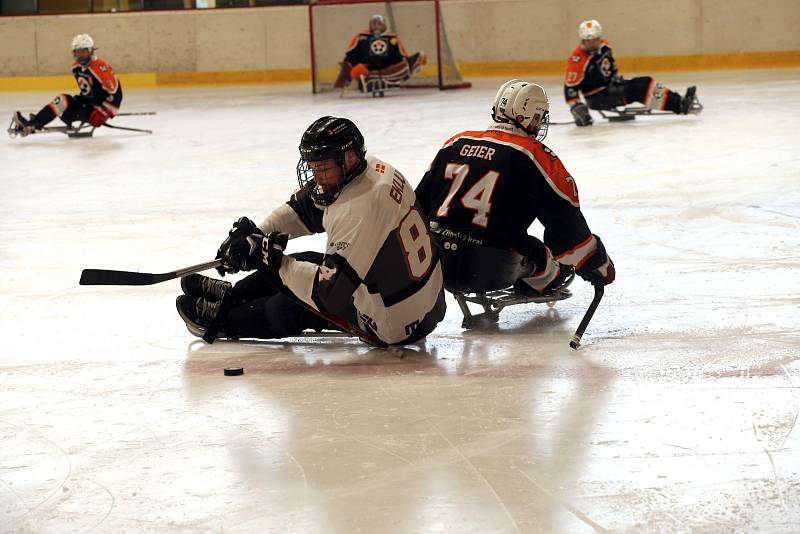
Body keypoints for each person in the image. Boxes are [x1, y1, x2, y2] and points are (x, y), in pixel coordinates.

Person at [176, 116, 446, 346]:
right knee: (304, 261)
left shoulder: (359, 211)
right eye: (313, 167)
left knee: (293, 305)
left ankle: (224, 321)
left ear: (349, 158)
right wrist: (257, 233)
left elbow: (328, 296)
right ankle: (233, 297)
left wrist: (270, 260)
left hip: (396, 323)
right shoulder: (372, 169)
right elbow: (306, 210)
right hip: (426, 295)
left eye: (323, 168)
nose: (316, 177)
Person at [415, 79, 615, 298]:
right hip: (490, 269)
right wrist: (597, 264)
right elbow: (565, 225)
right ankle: (543, 279)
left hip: (434, 262)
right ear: (531, 116)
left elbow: (416, 207)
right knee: (541, 256)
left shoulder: (455, 143)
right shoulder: (534, 155)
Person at [564, 20, 699, 126]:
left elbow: (610, 65)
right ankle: (679, 106)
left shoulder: (605, 46)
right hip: (598, 98)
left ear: (600, 37)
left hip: (610, 87)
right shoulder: (577, 60)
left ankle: (679, 100)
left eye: (595, 39)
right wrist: (576, 107)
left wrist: (615, 78)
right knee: (639, 88)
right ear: (583, 39)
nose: (593, 43)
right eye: (589, 40)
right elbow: (570, 88)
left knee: (645, 81)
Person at [10, 34, 122, 137]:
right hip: (88, 103)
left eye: (83, 52)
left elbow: (116, 93)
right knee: (62, 100)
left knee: (70, 113)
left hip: (99, 108)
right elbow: (88, 92)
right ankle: (33, 123)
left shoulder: (99, 67)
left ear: (91, 51)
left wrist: (105, 111)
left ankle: (35, 123)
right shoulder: (76, 67)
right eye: (77, 52)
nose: (80, 55)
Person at [333, 14, 426, 92]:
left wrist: (406, 65)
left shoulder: (392, 38)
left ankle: (373, 80)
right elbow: (351, 55)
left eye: (379, 24)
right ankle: (372, 79)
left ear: (384, 26)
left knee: (418, 57)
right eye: (374, 24)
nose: (376, 26)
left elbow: (401, 56)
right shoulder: (361, 37)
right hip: (367, 69)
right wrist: (346, 69)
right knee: (356, 70)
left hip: (388, 69)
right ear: (370, 25)